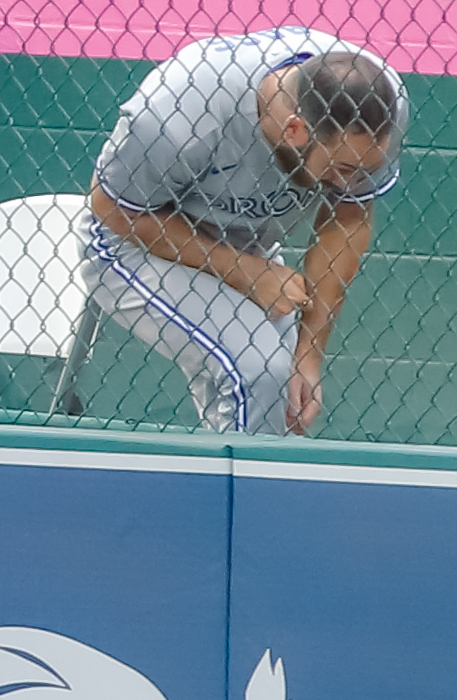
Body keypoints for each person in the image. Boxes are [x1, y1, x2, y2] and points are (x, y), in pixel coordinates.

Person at [82, 30, 407, 435]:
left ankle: (234, 485)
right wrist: (246, 272)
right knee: (259, 371)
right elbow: (112, 209)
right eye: (342, 169)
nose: (350, 183)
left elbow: (349, 216)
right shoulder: (181, 107)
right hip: (135, 242)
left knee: (286, 396)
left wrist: (307, 354)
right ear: (294, 131)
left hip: (246, 246)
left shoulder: (381, 100)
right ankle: (246, 496)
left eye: (366, 170)